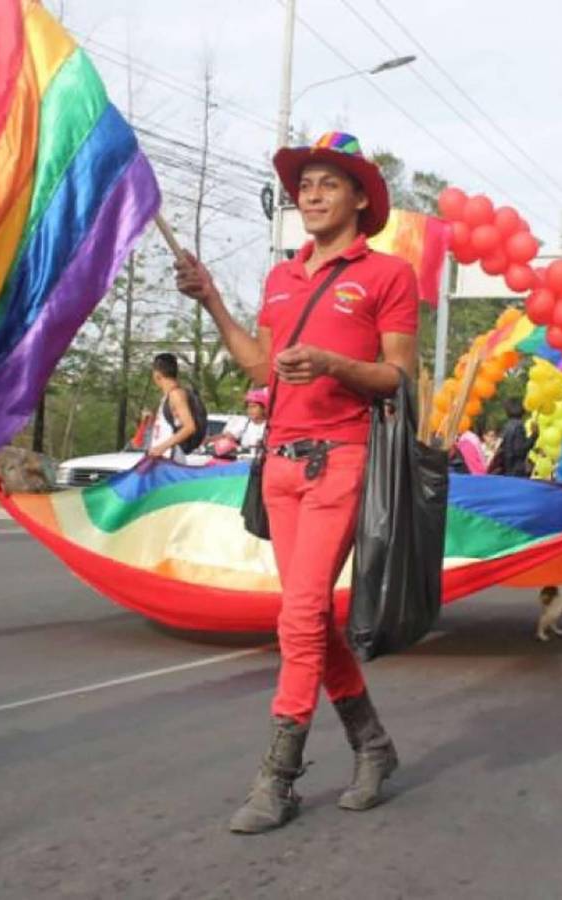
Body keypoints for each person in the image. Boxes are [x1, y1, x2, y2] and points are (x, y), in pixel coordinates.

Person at [174, 131, 418, 834]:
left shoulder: (385, 275)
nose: (309, 194)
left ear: (359, 199)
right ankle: (373, 745)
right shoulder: (281, 278)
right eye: (303, 184)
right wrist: (213, 301)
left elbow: (398, 378)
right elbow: (261, 369)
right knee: (308, 616)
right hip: (277, 463)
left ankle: (277, 777)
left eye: (326, 183)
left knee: (300, 614)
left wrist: (337, 366)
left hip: (342, 460)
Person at [148, 353, 199, 463]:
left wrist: (163, 447)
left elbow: (190, 427)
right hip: (162, 458)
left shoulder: (176, 395)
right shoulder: (167, 396)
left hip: (171, 458)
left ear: (157, 374)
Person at [216, 387, 269, 455]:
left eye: (254, 407)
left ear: (264, 408)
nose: (250, 410)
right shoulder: (244, 423)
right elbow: (229, 436)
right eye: (248, 407)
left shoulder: (269, 426)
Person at [493, 397, 533, 476]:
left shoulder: (506, 426)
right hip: (516, 469)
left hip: (507, 468)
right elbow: (520, 450)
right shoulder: (518, 426)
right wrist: (534, 436)